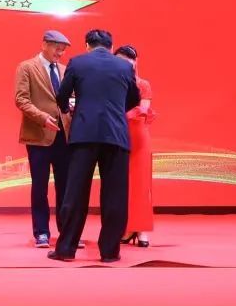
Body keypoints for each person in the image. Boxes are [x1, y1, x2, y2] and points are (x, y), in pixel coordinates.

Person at [49, 29, 140, 264]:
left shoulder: (77, 62)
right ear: (111, 46)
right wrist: (116, 109)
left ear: (87, 45)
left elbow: (62, 95)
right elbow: (134, 99)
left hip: (84, 134)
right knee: (115, 196)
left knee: (75, 194)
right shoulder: (125, 67)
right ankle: (110, 252)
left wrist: (69, 109)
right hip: (116, 135)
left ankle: (66, 249)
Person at [14, 30, 72, 248]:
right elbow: (21, 100)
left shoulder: (65, 70)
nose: (60, 53)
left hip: (64, 135)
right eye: (57, 48)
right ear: (44, 44)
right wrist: (42, 117)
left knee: (65, 186)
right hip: (38, 135)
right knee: (40, 186)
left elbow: (70, 98)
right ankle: (41, 232)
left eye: (63, 50)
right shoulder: (27, 67)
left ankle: (67, 232)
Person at [115, 45, 155, 248]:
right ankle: (128, 227)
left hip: (138, 137)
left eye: (130, 60)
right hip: (116, 136)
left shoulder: (142, 84)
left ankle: (141, 229)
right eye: (121, 60)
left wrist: (123, 115)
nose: (126, 64)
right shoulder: (111, 84)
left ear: (136, 62)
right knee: (122, 185)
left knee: (140, 184)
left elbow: (143, 109)